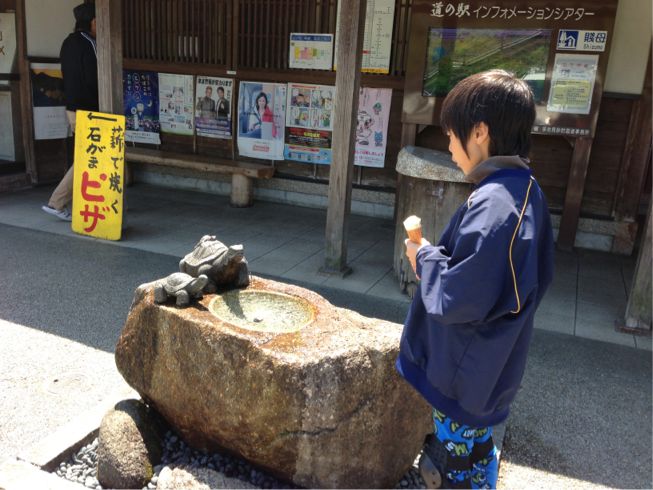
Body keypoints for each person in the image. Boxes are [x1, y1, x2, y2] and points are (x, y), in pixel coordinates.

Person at [397, 69, 554, 489]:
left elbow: (458, 297)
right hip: (493, 363)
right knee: (477, 446)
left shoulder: (494, 205)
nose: (449, 147)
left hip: (464, 369)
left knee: (451, 461)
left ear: (480, 132)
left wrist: (423, 256)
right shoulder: (526, 190)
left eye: (452, 135)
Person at [41, 3, 98, 221]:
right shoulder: (89, 43)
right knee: (88, 158)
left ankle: (110, 199)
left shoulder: (68, 42)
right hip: (89, 109)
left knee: (90, 155)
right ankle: (57, 202)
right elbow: (93, 78)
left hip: (73, 108)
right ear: (93, 22)